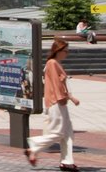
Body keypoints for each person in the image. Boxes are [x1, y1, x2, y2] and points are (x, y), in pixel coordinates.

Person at [26, 40, 80, 170]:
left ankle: (67, 161)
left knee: (67, 133)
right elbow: (56, 84)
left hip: (60, 101)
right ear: (58, 50)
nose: (66, 54)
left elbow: (63, 84)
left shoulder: (56, 63)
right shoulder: (52, 63)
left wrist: (71, 98)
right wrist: (62, 98)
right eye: (65, 51)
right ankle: (34, 146)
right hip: (56, 102)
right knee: (58, 132)